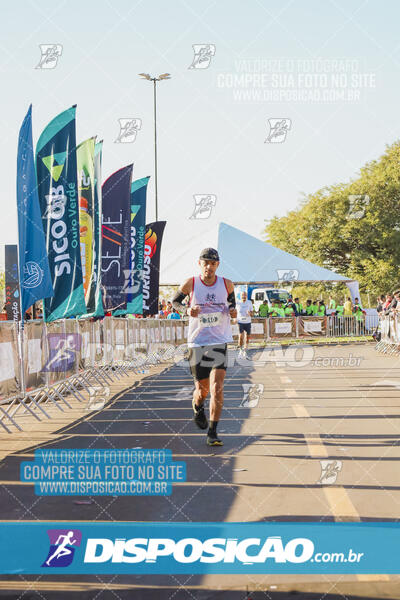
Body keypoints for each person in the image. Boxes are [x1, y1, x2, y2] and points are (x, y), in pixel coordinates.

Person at [172, 248, 237, 447]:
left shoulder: (226, 284)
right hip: (198, 341)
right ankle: (197, 405)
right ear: (199, 263)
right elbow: (174, 302)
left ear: (218, 265)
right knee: (202, 390)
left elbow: (232, 305)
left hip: (219, 341)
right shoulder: (190, 283)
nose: (209, 266)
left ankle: (213, 432)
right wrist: (186, 310)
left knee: (217, 388)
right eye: (205, 262)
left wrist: (233, 311)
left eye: (213, 263)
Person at [236, 291, 253, 358]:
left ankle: (245, 351)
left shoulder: (249, 302)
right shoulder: (237, 302)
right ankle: (240, 350)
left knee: (247, 338)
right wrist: (234, 318)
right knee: (241, 336)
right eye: (242, 295)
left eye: (245, 295)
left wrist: (250, 313)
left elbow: (252, 313)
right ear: (240, 296)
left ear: (246, 296)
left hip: (248, 322)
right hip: (240, 322)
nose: (244, 296)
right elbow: (234, 311)